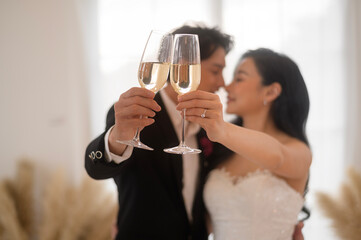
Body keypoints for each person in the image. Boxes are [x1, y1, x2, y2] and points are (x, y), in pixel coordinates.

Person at [85, 24, 233, 240]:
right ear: (184, 63)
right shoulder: (134, 113)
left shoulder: (209, 125)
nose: (221, 83)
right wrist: (117, 136)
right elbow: (94, 167)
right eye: (215, 70)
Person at [177, 48, 312, 240]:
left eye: (239, 79)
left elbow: (276, 157)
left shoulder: (298, 151)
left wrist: (222, 129)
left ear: (271, 91)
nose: (227, 86)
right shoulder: (220, 149)